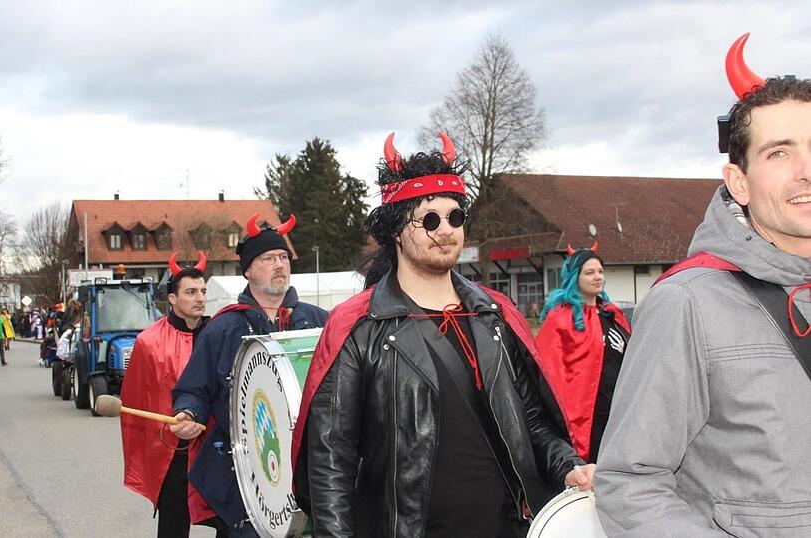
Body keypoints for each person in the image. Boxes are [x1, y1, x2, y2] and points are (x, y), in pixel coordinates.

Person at [290, 133, 590, 538]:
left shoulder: (494, 314)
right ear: (397, 229)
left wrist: (568, 467)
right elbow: (331, 458)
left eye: (456, 217)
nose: (445, 229)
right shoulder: (359, 326)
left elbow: (531, 421)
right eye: (429, 219)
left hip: (507, 526)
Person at [594, 34, 811, 536]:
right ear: (739, 181)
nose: (806, 170)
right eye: (780, 153)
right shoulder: (686, 303)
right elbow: (631, 483)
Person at [169, 214, 328, 537]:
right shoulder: (222, 329)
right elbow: (193, 389)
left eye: (283, 257)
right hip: (244, 482)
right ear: (248, 270)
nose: (279, 265)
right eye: (268, 259)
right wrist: (187, 412)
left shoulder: (321, 323)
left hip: (309, 475)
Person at [121, 252, 211, 538]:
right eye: (191, 292)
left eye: (203, 291)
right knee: (174, 524)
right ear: (172, 298)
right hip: (173, 450)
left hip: (215, 445)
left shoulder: (217, 334)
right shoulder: (149, 342)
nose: (200, 298)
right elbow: (136, 399)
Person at [535, 243, 630, 463]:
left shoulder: (612, 315)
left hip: (618, 416)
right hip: (584, 421)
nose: (598, 277)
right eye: (589, 272)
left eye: (600, 271)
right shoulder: (559, 319)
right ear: (574, 277)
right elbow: (548, 374)